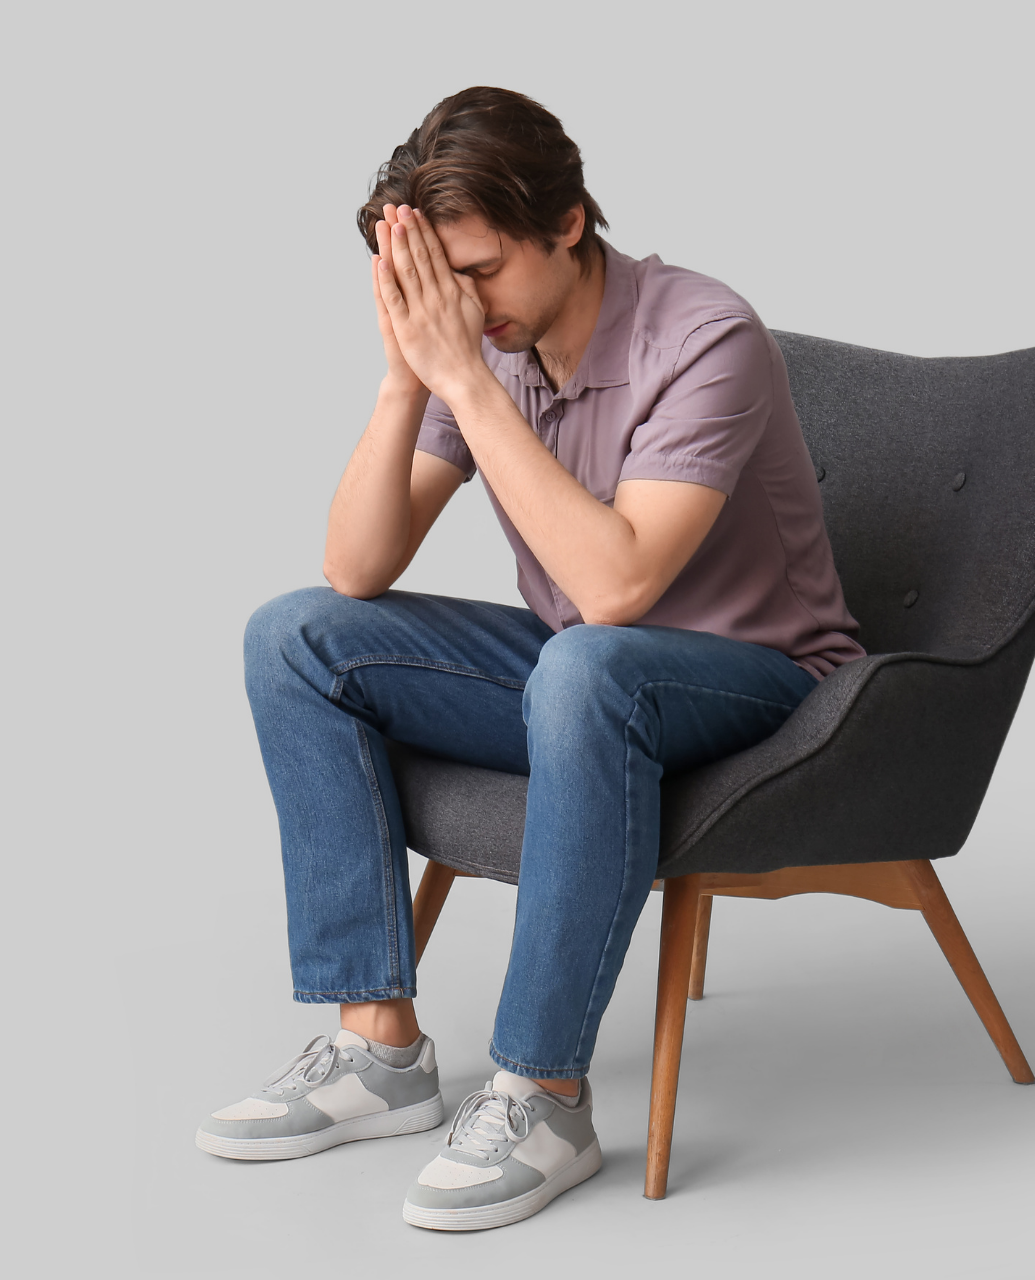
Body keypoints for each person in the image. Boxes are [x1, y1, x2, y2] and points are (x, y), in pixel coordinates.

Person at [198, 86, 863, 1230]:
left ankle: (547, 1092)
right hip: (581, 680)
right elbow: (357, 566)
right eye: (438, 284)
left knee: (591, 661)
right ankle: (380, 1051)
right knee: (295, 636)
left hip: (761, 683)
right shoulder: (487, 347)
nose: (468, 308)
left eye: (482, 271)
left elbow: (614, 587)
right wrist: (411, 372)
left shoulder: (707, 336)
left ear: (566, 222)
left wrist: (460, 375)